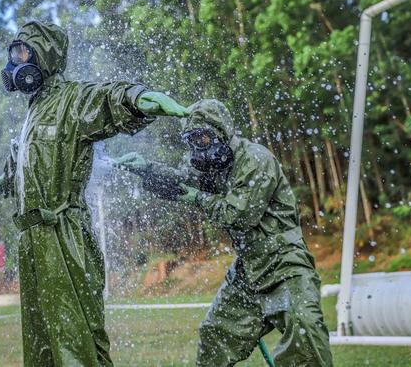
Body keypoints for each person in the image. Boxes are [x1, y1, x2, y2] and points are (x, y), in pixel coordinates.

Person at [0, 20, 188, 367]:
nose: (16, 63)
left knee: (76, 339)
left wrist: (140, 98)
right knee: (41, 345)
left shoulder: (72, 99)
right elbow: (26, 156)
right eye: (15, 54)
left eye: (24, 53)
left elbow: (107, 98)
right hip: (32, 242)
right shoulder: (33, 113)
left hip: (63, 238)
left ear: (45, 57)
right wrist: (9, 173)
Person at [116, 99, 333, 367]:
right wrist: (147, 170)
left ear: (221, 132)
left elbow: (239, 215)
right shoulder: (215, 166)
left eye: (204, 137)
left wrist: (197, 198)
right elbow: (184, 181)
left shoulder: (255, 159)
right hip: (249, 270)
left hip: (285, 263)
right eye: (192, 140)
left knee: (306, 339)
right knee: (215, 334)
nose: (199, 146)